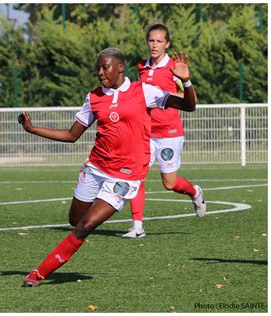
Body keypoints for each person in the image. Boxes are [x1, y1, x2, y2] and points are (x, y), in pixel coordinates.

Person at [18, 47, 197, 287]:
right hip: (95, 168)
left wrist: (185, 82)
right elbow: (72, 136)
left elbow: (188, 105)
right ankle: (91, 211)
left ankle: (38, 273)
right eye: (98, 68)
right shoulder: (93, 97)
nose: (100, 72)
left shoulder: (143, 91)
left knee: (85, 226)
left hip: (125, 176)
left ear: (120, 67)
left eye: (106, 67)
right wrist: (33, 129)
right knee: (75, 219)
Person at [123, 24, 206, 239]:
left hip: (169, 132)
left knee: (169, 183)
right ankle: (137, 227)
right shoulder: (141, 66)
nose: (154, 45)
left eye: (159, 41)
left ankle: (195, 192)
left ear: (167, 44)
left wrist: (166, 90)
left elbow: (188, 100)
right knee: (136, 176)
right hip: (145, 132)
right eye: (151, 40)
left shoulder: (174, 66)